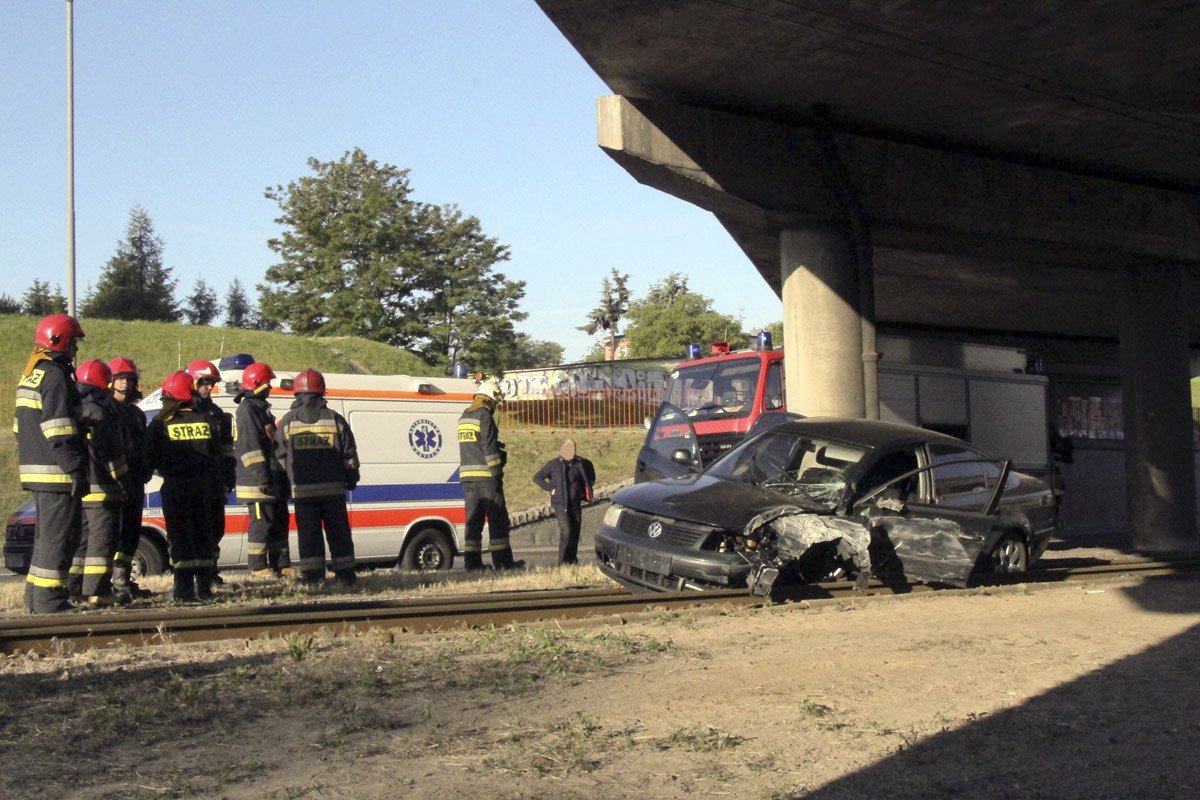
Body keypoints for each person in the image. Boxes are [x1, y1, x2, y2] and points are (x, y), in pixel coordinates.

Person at [14, 314, 88, 613]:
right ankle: (50, 601)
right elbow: (59, 429)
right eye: (73, 343)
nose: (75, 350)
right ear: (60, 341)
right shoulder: (55, 376)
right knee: (60, 538)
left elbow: (21, 427)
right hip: (57, 471)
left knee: (46, 538)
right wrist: (75, 468)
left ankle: (35, 597)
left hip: (37, 468)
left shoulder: (31, 373)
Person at [273, 369, 360, 586]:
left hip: (303, 491)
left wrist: (290, 479)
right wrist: (351, 477)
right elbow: (349, 454)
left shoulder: (289, 421)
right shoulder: (335, 419)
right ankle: (346, 576)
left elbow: (279, 456)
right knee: (339, 534)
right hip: (333, 490)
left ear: (297, 394)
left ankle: (313, 577)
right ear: (322, 392)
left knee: (309, 535)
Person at [145, 371, 221, 601]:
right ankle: (205, 588)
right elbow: (218, 454)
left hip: (177, 488)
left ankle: (184, 590)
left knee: (181, 538)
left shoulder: (161, 424)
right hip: (206, 487)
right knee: (203, 537)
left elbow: (149, 456)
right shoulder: (205, 419)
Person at [69, 359, 128, 605]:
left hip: (82, 486)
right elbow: (111, 449)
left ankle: (74, 589)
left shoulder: (76, 405)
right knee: (101, 542)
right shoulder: (101, 409)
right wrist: (122, 479)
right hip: (103, 487)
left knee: (82, 542)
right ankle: (98, 592)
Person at [233, 362, 295, 577]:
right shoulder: (247, 410)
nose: (270, 387)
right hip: (257, 483)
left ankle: (282, 564)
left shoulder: (260, 409)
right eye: (268, 383)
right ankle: (258, 566)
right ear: (258, 383)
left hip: (272, 479)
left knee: (279, 521)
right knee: (262, 523)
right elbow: (250, 448)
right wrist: (262, 478)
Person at [457, 380, 522, 570]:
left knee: (473, 522)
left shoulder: (463, 417)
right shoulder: (484, 416)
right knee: (498, 520)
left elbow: (472, 447)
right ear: (489, 400)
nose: (495, 407)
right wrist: (497, 474)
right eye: (495, 403)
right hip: (486, 479)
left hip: (468, 480)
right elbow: (489, 451)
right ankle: (503, 563)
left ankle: (472, 563)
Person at [108, 356, 154, 602]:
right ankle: (112, 584)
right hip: (115, 483)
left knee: (131, 533)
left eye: (129, 378)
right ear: (111, 382)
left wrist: (146, 469)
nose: (125, 383)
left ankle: (124, 580)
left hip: (135, 481)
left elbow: (144, 446)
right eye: (120, 378)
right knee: (112, 534)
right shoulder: (108, 409)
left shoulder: (137, 414)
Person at [186, 359, 235, 586]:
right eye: (204, 382)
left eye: (211, 383)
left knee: (215, 528)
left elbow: (226, 450)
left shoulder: (216, 413)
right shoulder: (184, 411)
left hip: (214, 482)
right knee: (193, 530)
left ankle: (210, 571)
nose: (208, 387)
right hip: (191, 482)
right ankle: (194, 575)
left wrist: (229, 477)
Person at [532, 438, 596, 565]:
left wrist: (586, 489)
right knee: (566, 531)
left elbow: (590, 476)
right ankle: (561, 563)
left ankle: (571, 561)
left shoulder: (580, 463)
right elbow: (537, 477)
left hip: (575, 503)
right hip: (560, 504)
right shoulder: (553, 464)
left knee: (575, 533)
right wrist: (550, 488)